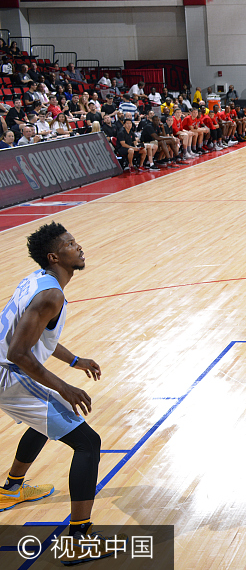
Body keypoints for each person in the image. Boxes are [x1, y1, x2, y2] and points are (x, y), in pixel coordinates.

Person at [0, 223, 114, 564]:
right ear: (54, 256)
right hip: (9, 375)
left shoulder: (38, 282)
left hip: (6, 371)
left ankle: (11, 490)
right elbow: (19, 353)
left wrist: (75, 361)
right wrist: (65, 385)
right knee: (87, 442)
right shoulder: (52, 294)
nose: (78, 247)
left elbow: (38, 337)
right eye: (70, 244)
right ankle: (79, 539)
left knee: (48, 419)